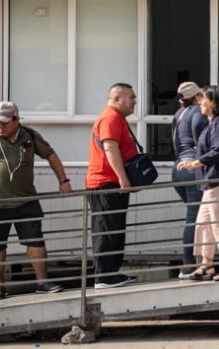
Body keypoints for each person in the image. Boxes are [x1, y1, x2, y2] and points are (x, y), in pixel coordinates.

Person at [0, 102, 71, 300]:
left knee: (36, 242)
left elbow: (51, 156)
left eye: (4, 122)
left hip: (27, 201)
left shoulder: (29, 136)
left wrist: (63, 180)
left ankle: (42, 282)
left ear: (16, 120)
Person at [177, 85, 219, 282]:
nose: (199, 103)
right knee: (204, 224)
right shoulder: (217, 122)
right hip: (212, 182)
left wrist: (195, 163)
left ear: (213, 102)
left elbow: (218, 150)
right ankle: (206, 265)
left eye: (203, 99)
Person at [87, 83, 139, 289]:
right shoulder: (110, 117)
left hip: (110, 182)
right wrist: (123, 178)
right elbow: (110, 147)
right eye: (131, 97)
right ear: (117, 99)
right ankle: (104, 276)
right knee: (107, 228)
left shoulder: (116, 118)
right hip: (106, 182)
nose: (134, 101)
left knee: (114, 227)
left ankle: (110, 274)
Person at [171, 81, 208, 279]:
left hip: (178, 169)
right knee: (194, 218)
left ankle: (200, 261)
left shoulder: (178, 114)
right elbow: (202, 142)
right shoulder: (198, 113)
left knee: (196, 216)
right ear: (196, 96)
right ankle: (188, 266)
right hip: (193, 169)